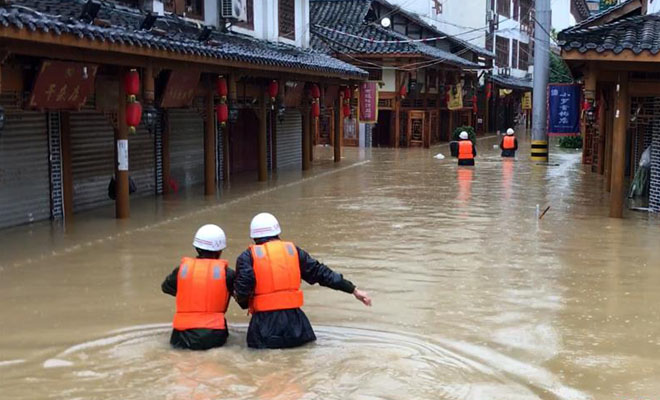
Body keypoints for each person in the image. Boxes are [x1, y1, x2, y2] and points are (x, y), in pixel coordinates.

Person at [234, 212, 372, 349]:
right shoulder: (293, 251)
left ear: (254, 237)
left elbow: (243, 289)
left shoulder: (247, 257)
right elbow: (321, 273)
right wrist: (353, 290)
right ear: (277, 232)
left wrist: (243, 301)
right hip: (297, 325)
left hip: (264, 326)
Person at [161, 224, 234, 350]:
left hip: (181, 335)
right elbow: (243, 296)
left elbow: (166, 287)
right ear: (220, 250)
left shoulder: (182, 270)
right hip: (213, 335)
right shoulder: (227, 274)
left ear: (197, 247)